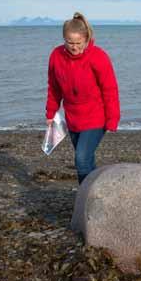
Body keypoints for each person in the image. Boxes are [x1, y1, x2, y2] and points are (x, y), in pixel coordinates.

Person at [45, 12, 120, 184]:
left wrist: (112, 119)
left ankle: (84, 198)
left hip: (95, 117)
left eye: (78, 43)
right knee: (87, 160)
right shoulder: (56, 56)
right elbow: (54, 87)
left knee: (81, 160)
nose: (74, 47)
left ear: (86, 40)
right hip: (73, 119)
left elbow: (110, 89)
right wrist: (50, 113)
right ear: (64, 39)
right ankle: (96, 194)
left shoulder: (98, 56)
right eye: (70, 42)